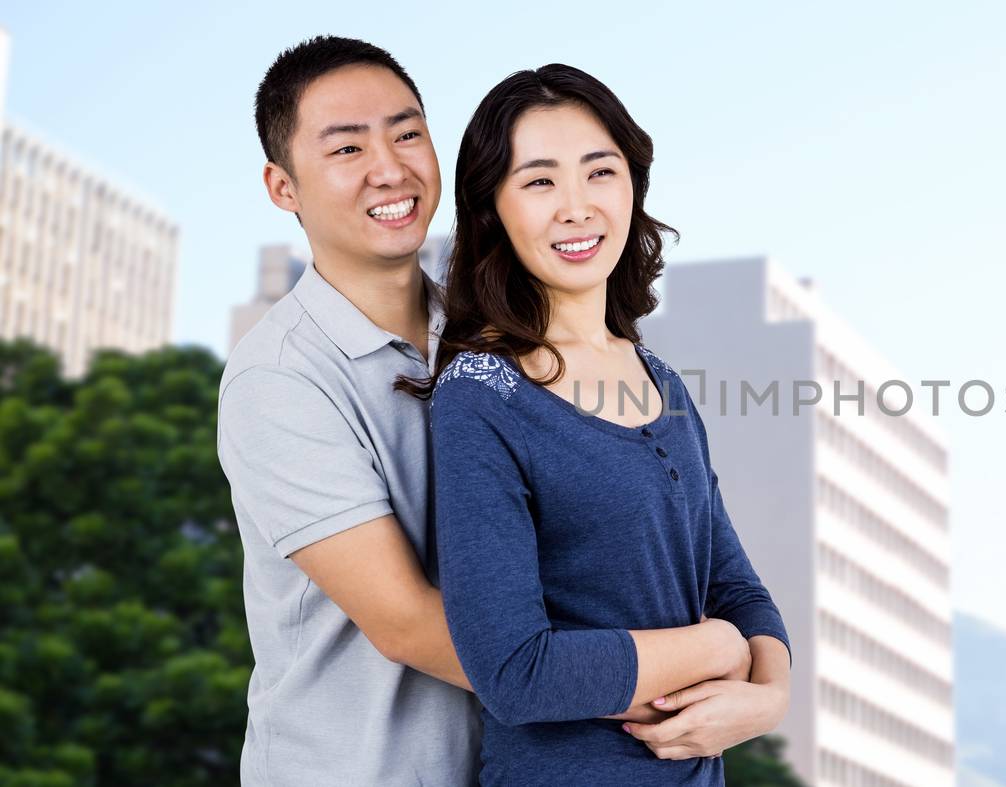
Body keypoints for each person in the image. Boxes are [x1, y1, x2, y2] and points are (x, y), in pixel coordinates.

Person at [402, 65, 792, 786]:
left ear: (633, 187)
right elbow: (516, 670)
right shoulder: (482, 396)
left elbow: (737, 587)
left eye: (600, 172)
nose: (577, 208)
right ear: (492, 210)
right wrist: (712, 647)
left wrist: (767, 697)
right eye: (541, 181)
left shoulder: (663, 383)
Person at [216, 36, 481, 785]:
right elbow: (407, 623)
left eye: (407, 132)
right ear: (283, 187)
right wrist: (649, 683)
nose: (390, 168)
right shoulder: (279, 376)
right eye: (346, 148)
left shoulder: (491, 338)